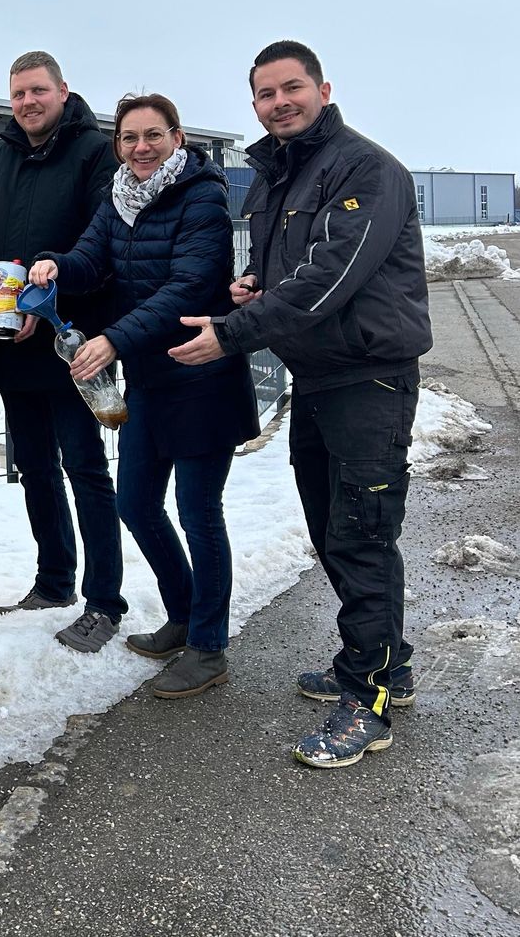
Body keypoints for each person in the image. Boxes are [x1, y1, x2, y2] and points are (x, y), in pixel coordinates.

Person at [170, 41, 432, 766]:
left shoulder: (365, 168)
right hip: (318, 377)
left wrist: (234, 332)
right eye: (265, 93)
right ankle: (388, 662)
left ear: (322, 88)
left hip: (369, 378)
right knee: (329, 528)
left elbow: (330, 273)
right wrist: (254, 282)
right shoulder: (280, 175)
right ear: (253, 103)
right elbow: (284, 266)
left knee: (363, 532)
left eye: (292, 88)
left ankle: (369, 696)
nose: (279, 101)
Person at [29, 94, 259, 695]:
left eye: (152, 136)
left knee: (199, 514)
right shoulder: (118, 198)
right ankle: (182, 614)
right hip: (152, 379)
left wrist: (112, 339)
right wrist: (56, 265)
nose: (140, 148)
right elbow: (90, 256)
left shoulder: (203, 197)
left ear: (177, 139)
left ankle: (209, 647)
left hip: (201, 373)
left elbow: (188, 286)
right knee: (135, 502)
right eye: (129, 138)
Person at [0, 50, 126, 654]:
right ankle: (54, 579)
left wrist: (51, 293)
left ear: (64, 90)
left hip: (72, 338)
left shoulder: (94, 153)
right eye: (17, 95)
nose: (27, 103)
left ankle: (104, 601)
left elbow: (102, 240)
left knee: (84, 468)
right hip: (10, 338)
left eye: (38, 91)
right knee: (32, 467)